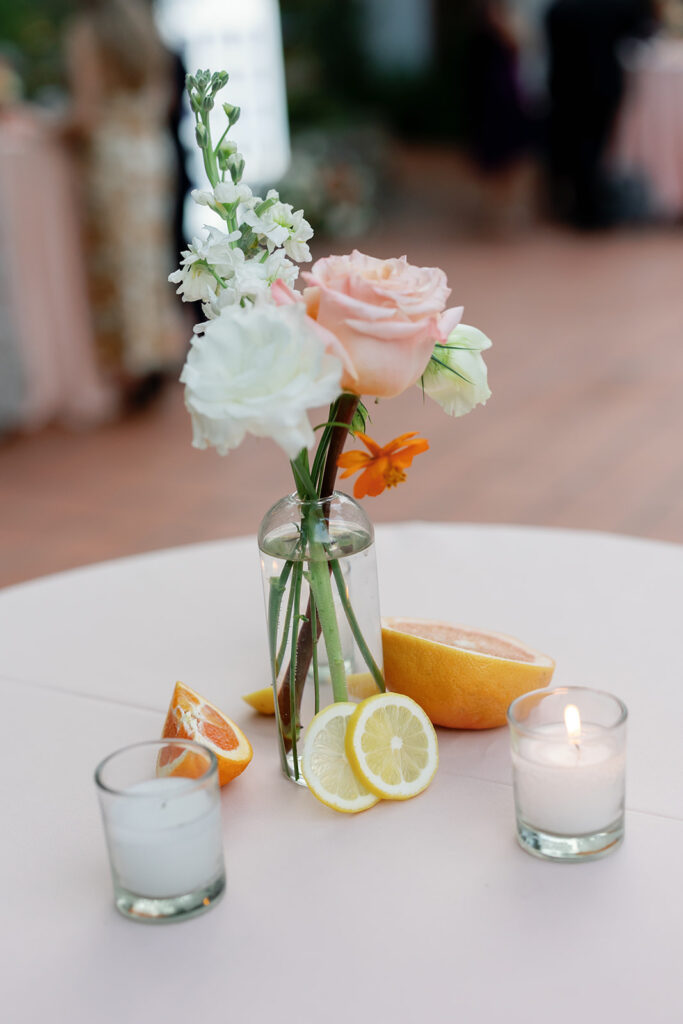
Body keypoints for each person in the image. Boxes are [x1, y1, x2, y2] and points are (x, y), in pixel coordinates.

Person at [64, 0, 186, 402]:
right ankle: (159, 356)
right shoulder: (142, 24)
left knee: (120, 266)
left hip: (114, 157)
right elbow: (163, 98)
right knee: (151, 262)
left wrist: (49, 129)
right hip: (151, 151)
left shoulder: (88, 31)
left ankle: (133, 368)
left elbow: (86, 115)